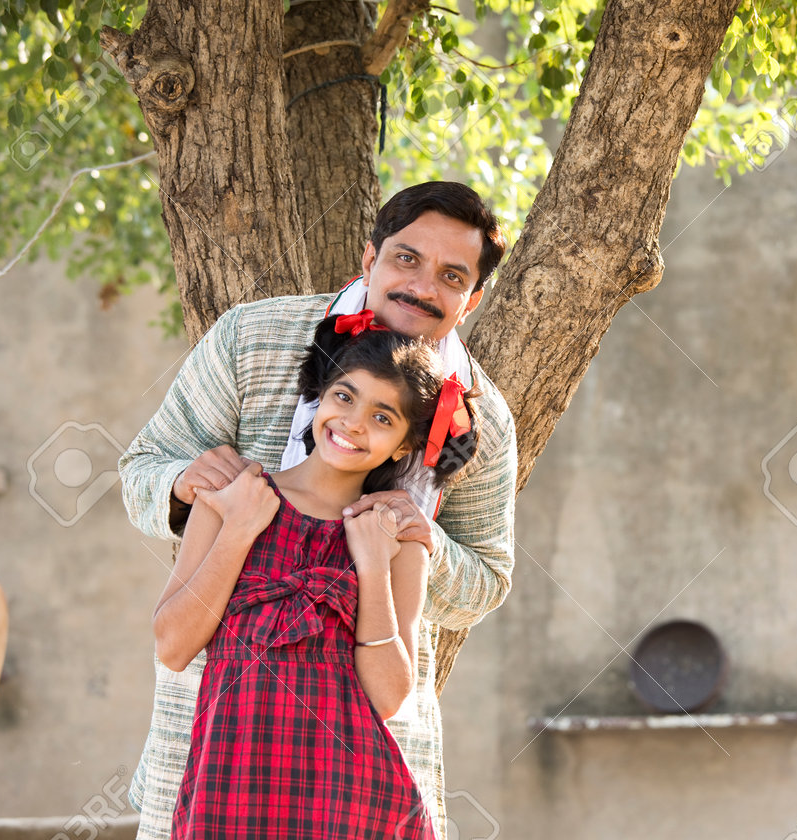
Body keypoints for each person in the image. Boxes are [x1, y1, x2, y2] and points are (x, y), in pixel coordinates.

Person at [119, 182, 517, 840]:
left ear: (472, 299)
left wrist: (419, 541)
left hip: (365, 761)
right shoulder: (253, 338)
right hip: (219, 742)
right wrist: (188, 483)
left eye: (451, 276)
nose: (421, 286)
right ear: (370, 259)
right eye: (406, 259)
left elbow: (488, 579)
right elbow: (142, 467)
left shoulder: (482, 421)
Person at [158, 313, 475, 839]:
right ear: (320, 399)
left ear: (401, 446)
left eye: (382, 417)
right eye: (344, 397)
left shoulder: (398, 539)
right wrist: (239, 530)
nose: (352, 423)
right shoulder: (232, 498)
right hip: (228, 788)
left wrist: (371, 565)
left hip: (352, 799)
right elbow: (172, 646)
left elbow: (391, 696)